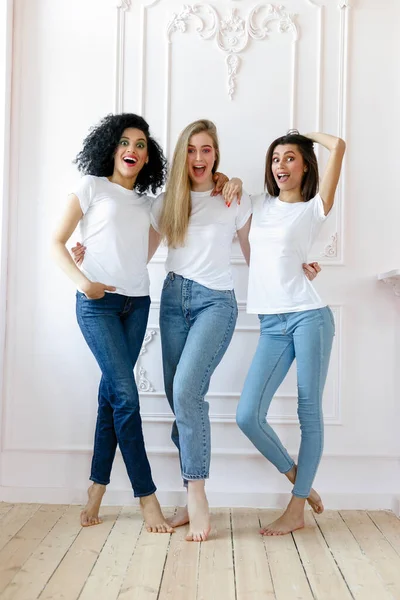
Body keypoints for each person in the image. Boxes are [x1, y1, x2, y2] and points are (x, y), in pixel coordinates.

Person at [51, 113, 174, 531]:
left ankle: (96, 488)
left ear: (147, 156)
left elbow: (144, 248)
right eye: (125, 142)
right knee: (127, 397)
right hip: (98, 306)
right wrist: (85, 283)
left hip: (137, 305)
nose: (132, 150)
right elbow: (55, 242)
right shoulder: (91, 186)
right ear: (111, 147)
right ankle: (148, 498)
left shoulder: (147, 202)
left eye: (141, 145)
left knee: (111, 394)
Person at [235, 130, 346, 536]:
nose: (280, 165)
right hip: (271, 323)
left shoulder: (314, 208)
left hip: (309, 316)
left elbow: (338, 146)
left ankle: (296, 509)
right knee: (248, 415)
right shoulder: (258, 205)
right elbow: (217, 191)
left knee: (308, 411)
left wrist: (306, 134)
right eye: (276, 158)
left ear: (305, 166)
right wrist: (228, 179)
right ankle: (299, 479)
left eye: (290, 158)